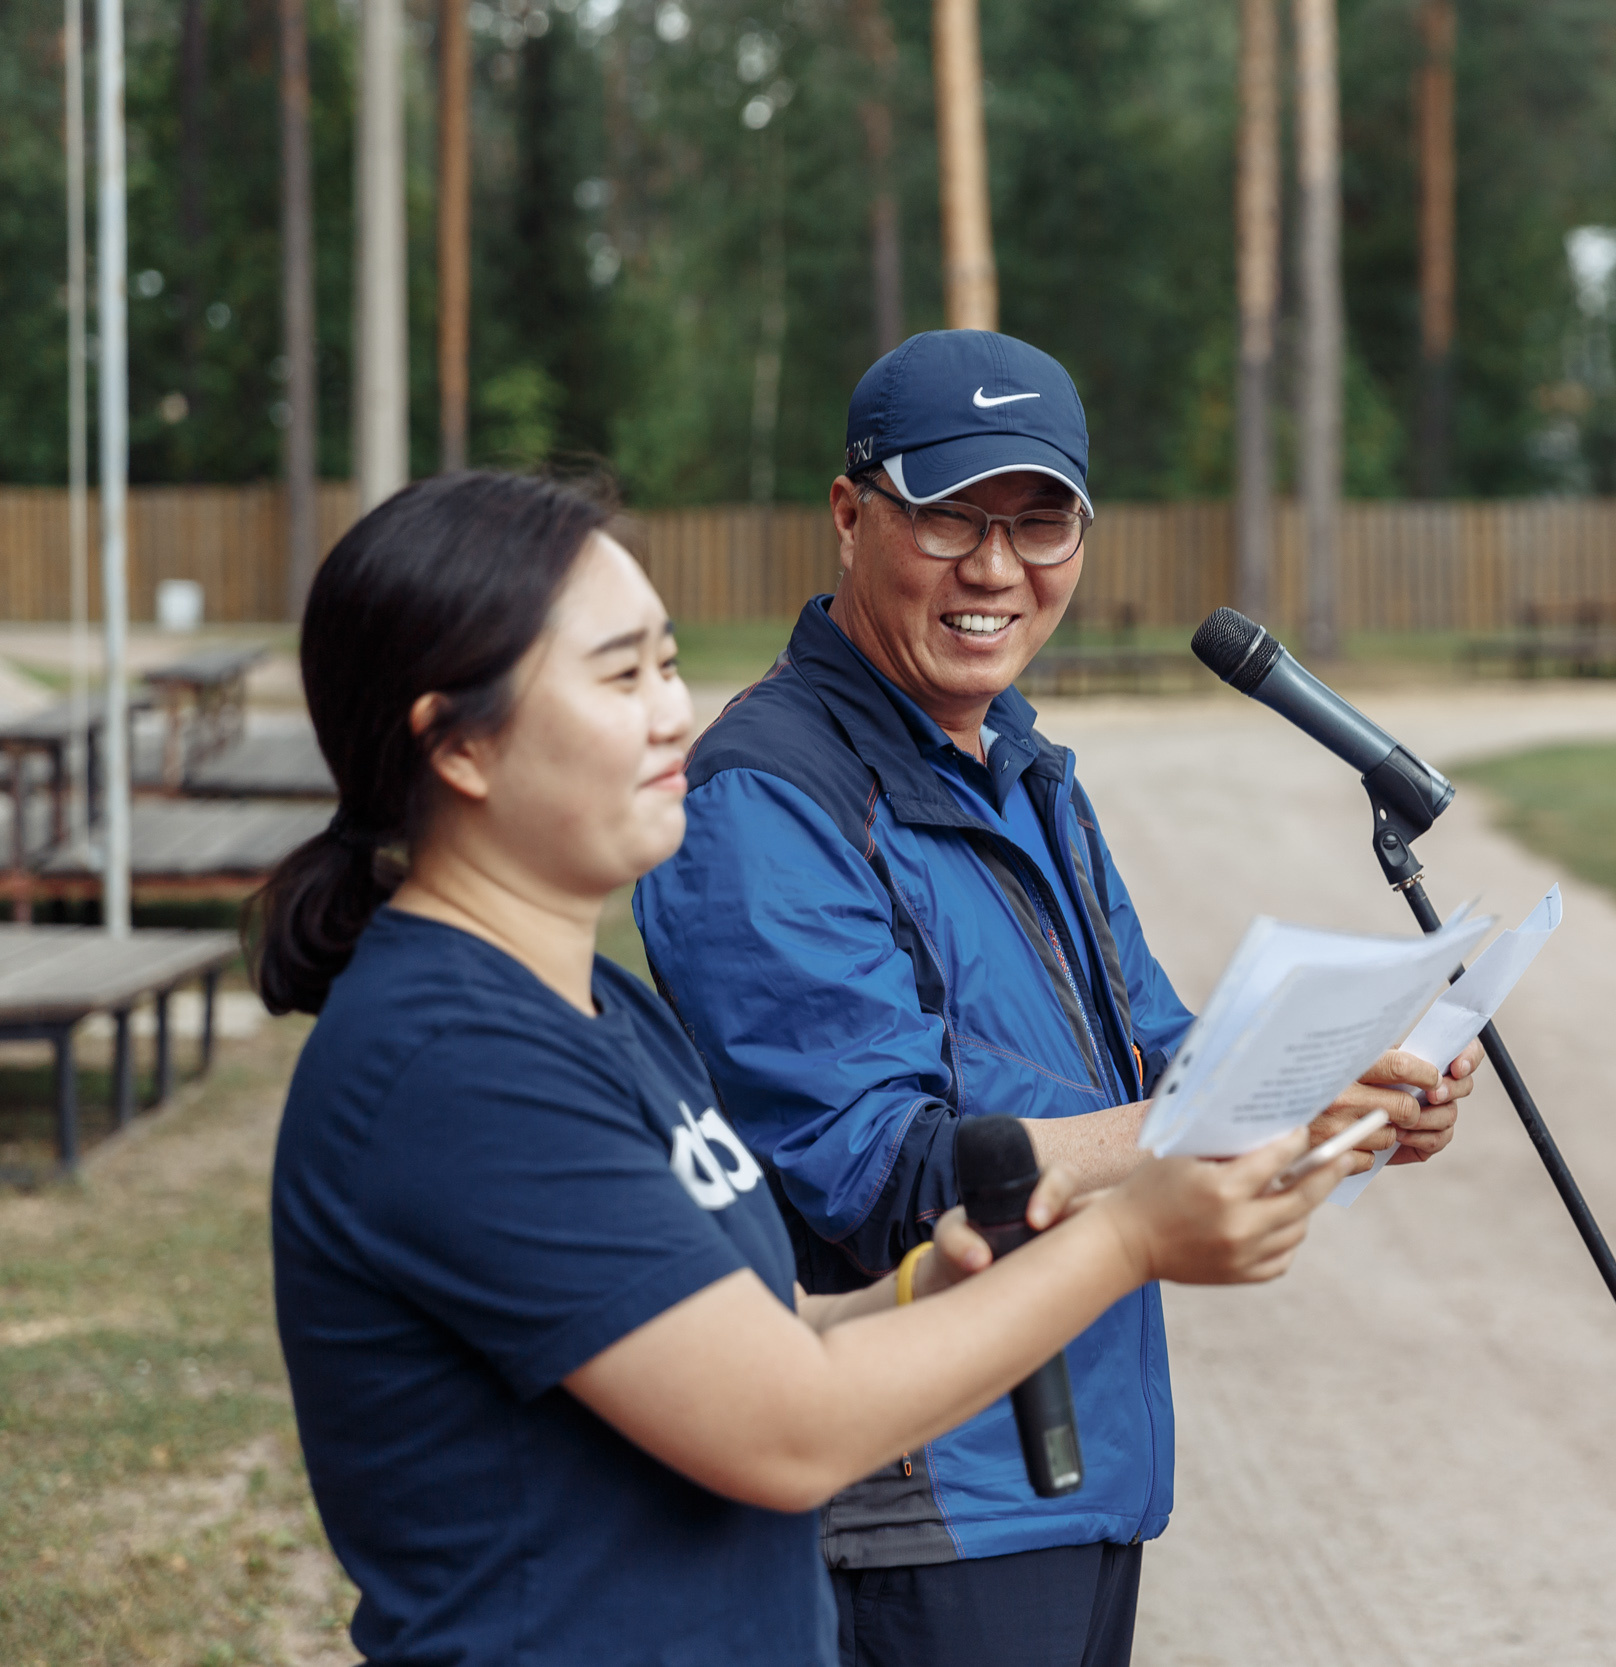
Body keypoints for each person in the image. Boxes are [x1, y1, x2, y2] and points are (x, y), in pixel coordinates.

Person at [259, 470, 1371, 1667]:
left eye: (669, 665)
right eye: (620, 675)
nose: (673, 716)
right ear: (460, 744)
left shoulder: (593, 1010)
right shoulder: (455, 1066)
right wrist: (1127, 1239)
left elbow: (759, 1328)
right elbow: (784, 1429)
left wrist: (918, 1298)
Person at [633, 330, 1485, 1667]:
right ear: (851, 516)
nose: (994, 569)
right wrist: (1189, 1133)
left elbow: (1160, 1049)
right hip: (916, 1500)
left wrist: (1354, 1088)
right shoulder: (762, 795)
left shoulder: (1026, 766)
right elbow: (877, 1169)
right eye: (949, 517)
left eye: (1039, 524)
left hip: (1082, 1467)